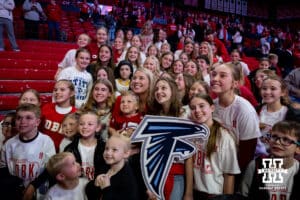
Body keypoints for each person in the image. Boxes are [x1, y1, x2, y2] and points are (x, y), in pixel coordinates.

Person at [210, 62, 261, 174]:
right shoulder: (212, 105)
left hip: (237, 169)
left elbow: (246, 155)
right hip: (217, 163)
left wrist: (230, 176)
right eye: (213, 74)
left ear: (235, 83)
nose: (215, 78)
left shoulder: (245, 110)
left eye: (222, 75)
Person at [148, 77, 193, 200]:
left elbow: (189, 156)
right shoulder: (155, 117)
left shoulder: (184, 116)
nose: (159, 91)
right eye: (156, 89)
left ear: (172, 91)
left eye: (163, 88)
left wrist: (189, 193)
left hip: (176, 174)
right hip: (156, 175)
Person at [189, 93, 240, 199]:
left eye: (202, 106)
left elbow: (229, 174)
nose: (197, 110)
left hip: (214, 194)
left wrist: (226, 198)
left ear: (212, 108)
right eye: (193, 108)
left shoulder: (224, 137)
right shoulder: (191, 135)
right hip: (195, 193)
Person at [0, 103, 56, 198]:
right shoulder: (9, 144)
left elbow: (50, 169)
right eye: (19, 118)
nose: (22, 121)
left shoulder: (46, 141)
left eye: (28, 118)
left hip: (40, 190)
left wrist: (33, 186)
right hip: (15, 190)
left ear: (37, 122)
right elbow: (3, 169)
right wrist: (17, 186)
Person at [240, 121, 300, 200]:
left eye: (286, 139)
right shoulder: (256, 166)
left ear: (298, 149)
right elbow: (243, 196)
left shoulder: (297, 170)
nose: (277, 142)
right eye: (274, 137)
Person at [86, 135, 139, 200]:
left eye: (114, 150)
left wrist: (106, 189)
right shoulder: (104, 168)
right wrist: (95, 184)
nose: (108, 152)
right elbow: (90, 193)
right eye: (106, 148)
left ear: (126, 154)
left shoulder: (127, 178)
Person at [64, 110, 108, 181]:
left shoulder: (105, 148)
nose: (85, 127)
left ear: (98, 127)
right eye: (81, 124)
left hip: (97, 186)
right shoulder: (70, 148)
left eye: (90, 124)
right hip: (76, 185)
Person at [39, 80, 77, 152]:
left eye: (62, 89)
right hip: (43, 150)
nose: (57, 92)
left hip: (64, 153)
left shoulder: (76, 113)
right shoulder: (46, 108)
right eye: (55, 90)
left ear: (72, 93)